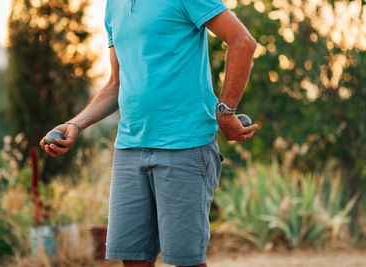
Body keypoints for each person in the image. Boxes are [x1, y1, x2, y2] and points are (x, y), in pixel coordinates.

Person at [40, 0, 258, 266]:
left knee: (186, 261)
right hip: (129, 149)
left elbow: (242, 41)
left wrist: (225, 112)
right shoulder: (113, 6)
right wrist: (76, 124)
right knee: (132, 259)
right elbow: (115, 83)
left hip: (185, 146)